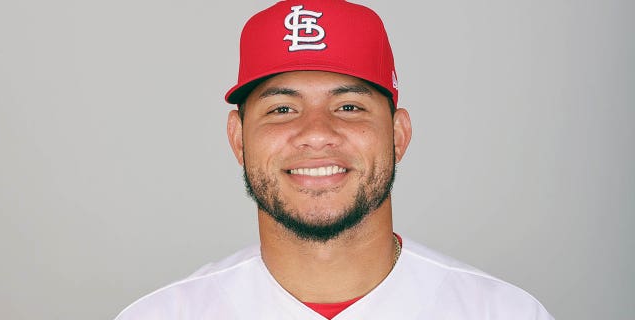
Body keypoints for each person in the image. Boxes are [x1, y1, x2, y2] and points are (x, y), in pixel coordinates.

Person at [115, 0, 554, 319]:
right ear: (238, 139)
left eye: (349, 106)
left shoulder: (504, 313)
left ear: (398, 135)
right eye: (282, 109)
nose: (317, 133)